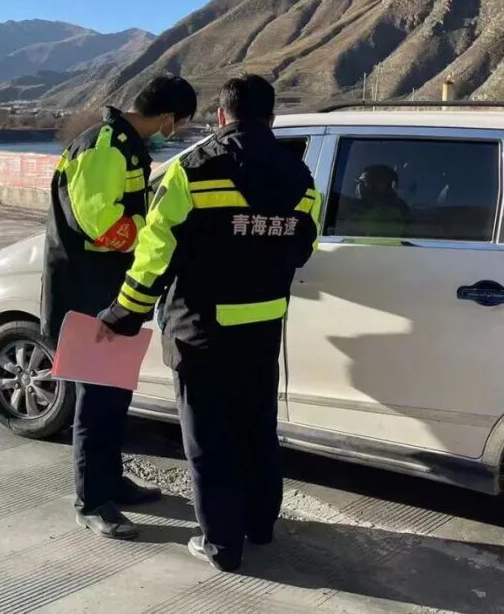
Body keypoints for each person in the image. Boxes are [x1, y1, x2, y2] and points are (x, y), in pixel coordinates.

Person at [99, 74, 319, 571]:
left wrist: (123, 314)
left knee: (209, 439)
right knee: (257, 429)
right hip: (263, 327)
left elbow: (155, 256)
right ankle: (260, 526)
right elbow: (303, 246)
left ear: (221, 116)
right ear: (271, 117)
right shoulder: (300, 176)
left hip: (199, 331)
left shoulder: (191, 171)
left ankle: (221, 544)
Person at [41, 74, 197, 540]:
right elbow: (100, 224)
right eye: (180, 123)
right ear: (167, 117)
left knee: (114, 396)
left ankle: (111, 481)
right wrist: (155, 232)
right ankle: (92, 502)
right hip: (88, 294)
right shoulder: (103, 146)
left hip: (115, 292)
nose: (178, 131)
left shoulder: (126, 146)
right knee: (95, 403)